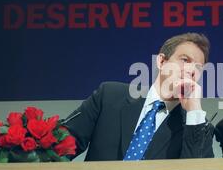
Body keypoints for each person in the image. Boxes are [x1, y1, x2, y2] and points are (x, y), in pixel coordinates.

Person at [65, 33, 214, 161]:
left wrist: (194, 110)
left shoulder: (196, 126)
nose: (191, 70)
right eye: (185, 60)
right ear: (161, 61)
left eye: (198, 67)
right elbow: (58, 147)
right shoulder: (109, 97)